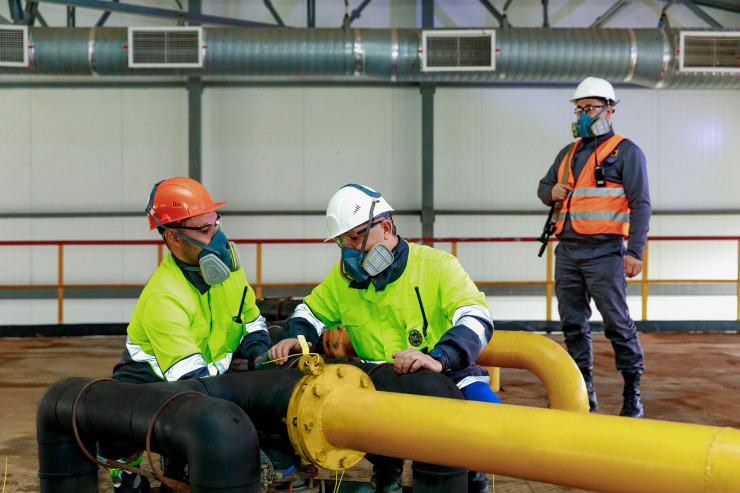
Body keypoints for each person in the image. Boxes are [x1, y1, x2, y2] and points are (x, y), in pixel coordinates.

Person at [267, 184, 499, 493]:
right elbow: (310, 310)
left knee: (485, 429)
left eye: (354, 239)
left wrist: (439, 357)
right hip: (377, 388)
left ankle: (472, 475)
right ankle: (387, 471)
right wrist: (296, 337)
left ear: (386, 228)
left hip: (446, 376)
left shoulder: (437, 267)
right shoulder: (344, 281)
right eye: (341, 242)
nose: (348, 252)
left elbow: (477, 317)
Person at [107, 177, 272, 492]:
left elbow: (251, 322)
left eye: (216, 223)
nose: (218, 238)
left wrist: (261, 356)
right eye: (205, 230)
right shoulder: (163, 297)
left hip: (207, 385)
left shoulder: (228, 273)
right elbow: (194, 383)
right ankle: (125, 474)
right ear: (173, 236)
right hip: (153, 391)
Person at [537, 77, 651, 418]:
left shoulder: (626, 151)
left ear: (609, 109)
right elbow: (544, 188)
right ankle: (583, 389)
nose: (584, 114)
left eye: (590, 108)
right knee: (573, 324)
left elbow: (641, 203)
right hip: (568, 251)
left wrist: (635, 252)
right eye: (579, 109)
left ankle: (632, 391)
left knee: (617, 323)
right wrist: (551, 192)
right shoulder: (568, 153)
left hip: (606, 252)